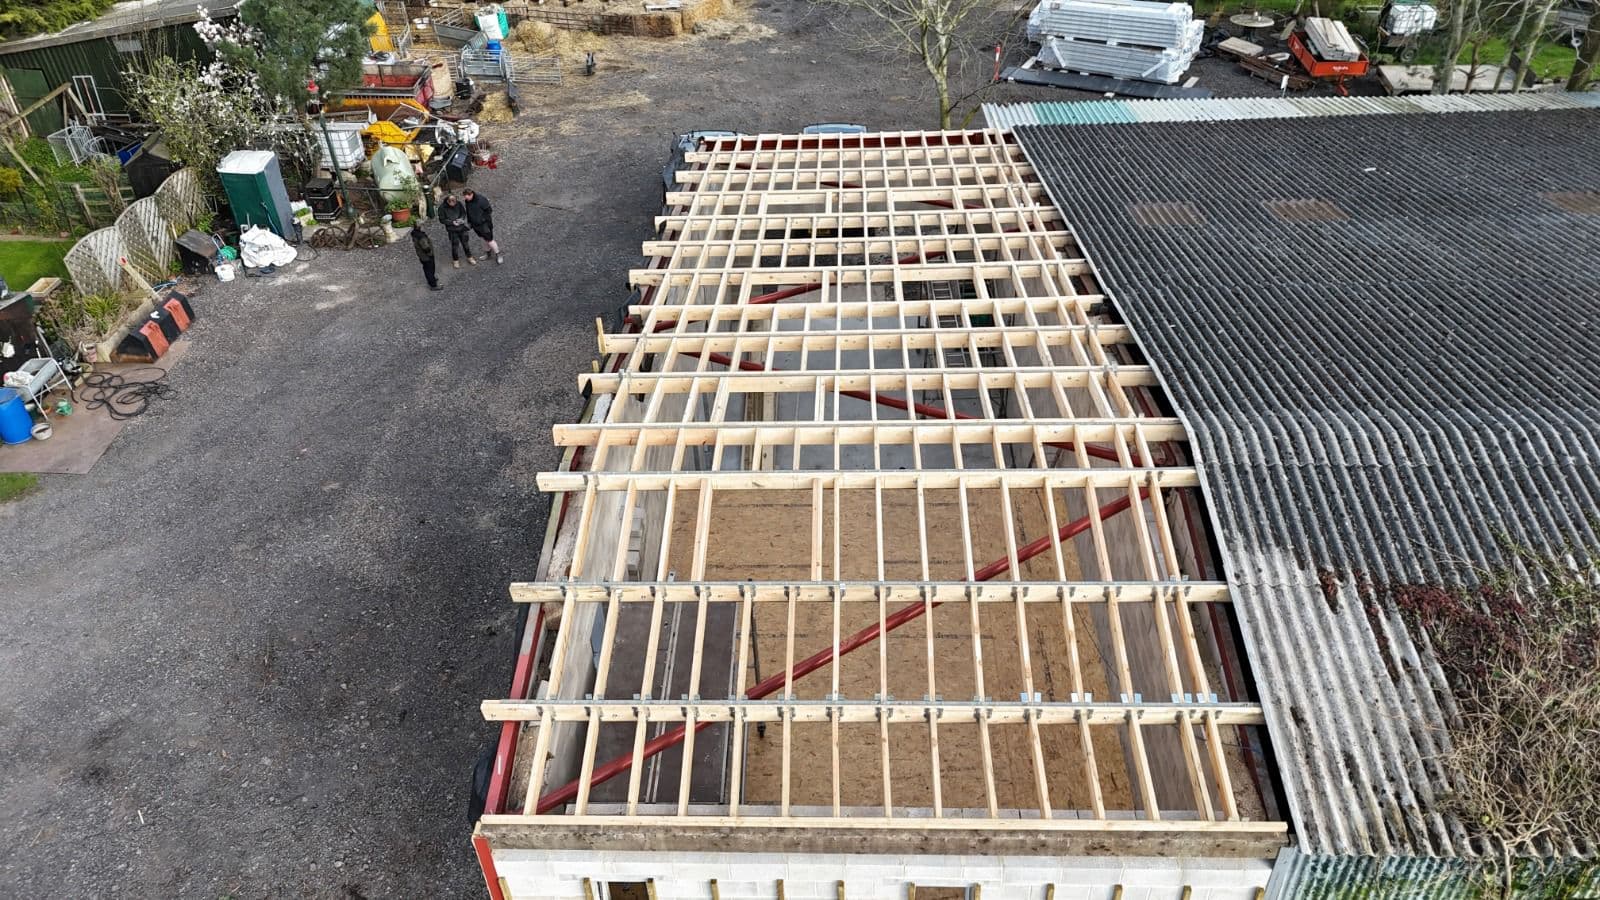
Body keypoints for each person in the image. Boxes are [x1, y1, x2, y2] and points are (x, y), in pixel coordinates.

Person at [462, 188, 502, 264]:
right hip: (475, 225)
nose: (466, 199)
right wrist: (470, 222)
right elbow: (468, 212)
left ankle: (498, 254)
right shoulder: (467, 201)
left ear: (471, 194)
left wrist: (482, 220)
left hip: (485, 225)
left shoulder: (481, 200)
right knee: (482, 239)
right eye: (465, 197)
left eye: (467, 197)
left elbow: (489, 211)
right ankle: (488, 254)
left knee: (489, 240)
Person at [438, 193, 476, 268]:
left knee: (465, 244)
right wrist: (452, 222)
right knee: (455, 245)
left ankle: (469, 257)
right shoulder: (442, 208)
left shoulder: (458, 204)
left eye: (454, 203)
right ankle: (455, 260)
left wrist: (461, 219)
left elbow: (463, 213)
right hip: (452, 230)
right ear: (448, 201)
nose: (454, 205)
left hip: (462, 227)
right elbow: (442, 220)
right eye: (452, 203)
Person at [411, 224, 443, 291]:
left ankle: (432, 279)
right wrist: (430, 254)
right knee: (429, 269)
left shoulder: (415, 234)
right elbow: (425, 247)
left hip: (422, 256)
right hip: (427, 257)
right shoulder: (421, 237)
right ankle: (433, 285)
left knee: (427, 269)